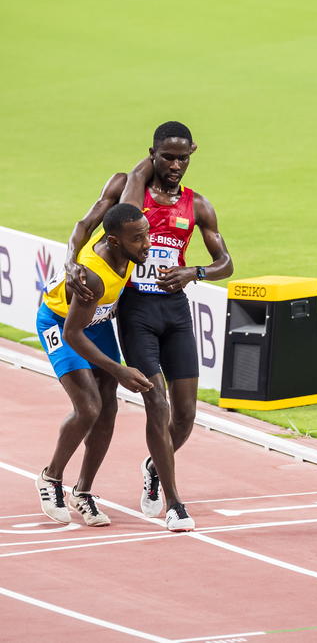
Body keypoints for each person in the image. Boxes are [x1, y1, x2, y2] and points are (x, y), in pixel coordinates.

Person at [65, 121, 234, 532]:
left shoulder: (198, 206)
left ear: (193, 153)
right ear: (154, 154)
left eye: (184, 157)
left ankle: (155, 466)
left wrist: (194, 272)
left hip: (175, 311)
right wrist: (71, 261)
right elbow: (88, 222)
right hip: (137, 309)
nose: (176, 165)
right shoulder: (133, 194)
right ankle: (176, 504)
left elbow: (226, 263)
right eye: (168, 157)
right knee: (156, 402)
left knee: (187, 414)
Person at [35, 204, 154, 526]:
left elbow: (84, 222)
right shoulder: (92, 277)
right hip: (61, 324)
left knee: (108, 409)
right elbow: (73, 334)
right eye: (138, 239)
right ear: (114, 241)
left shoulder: (126, 247)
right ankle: (51, 477)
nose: (147, 244)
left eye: (146, 234)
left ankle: (83, 492)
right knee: (88, 407)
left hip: (96, 322)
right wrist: (120, 370)